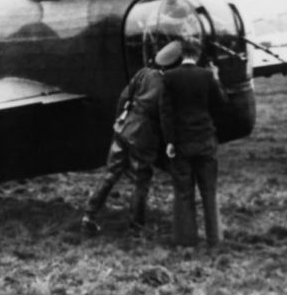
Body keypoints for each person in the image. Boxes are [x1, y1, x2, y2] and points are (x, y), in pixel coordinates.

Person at [81, 41, 182, 235]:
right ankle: (136, 228)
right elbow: (166, 117)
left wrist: (119, 119)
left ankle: (89, 216)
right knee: (141, 181)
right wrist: (170, 141)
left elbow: (123, 97)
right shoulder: (168, 86)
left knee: (110, 174)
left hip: (124, 128)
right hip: (145, 137)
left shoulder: (143, 73)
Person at [159, 38, 226, 248]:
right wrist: (216, 79)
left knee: (183, 192)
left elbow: (166, 113)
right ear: (197, 55)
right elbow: (222, 104)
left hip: (181, 143)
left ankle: (186, 241)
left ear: (181, 55)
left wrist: (169, 141)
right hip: (205, 140)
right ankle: (214, 240)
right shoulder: (207, 76)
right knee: (209, 191)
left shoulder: (169, 78)